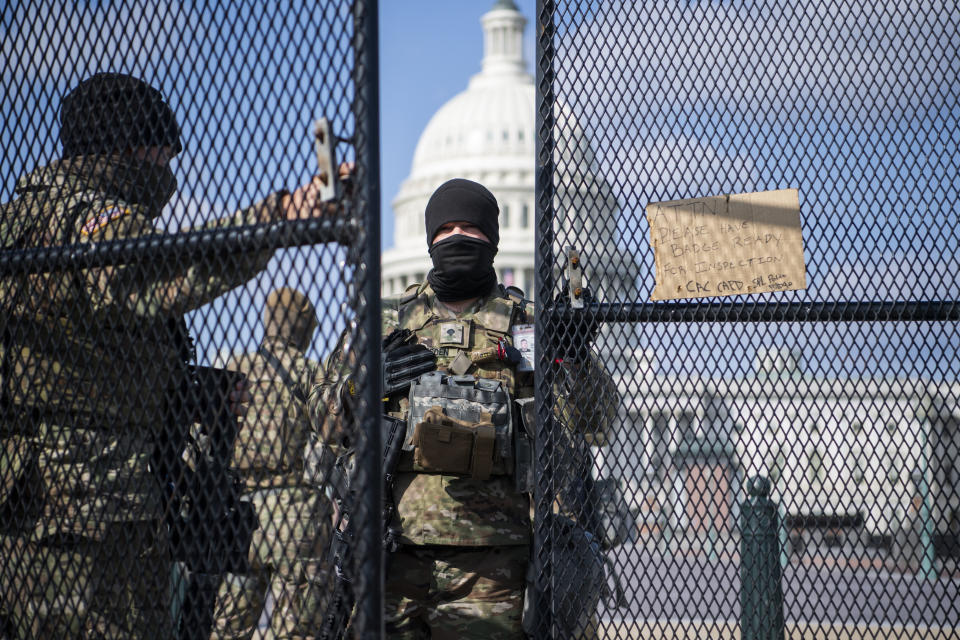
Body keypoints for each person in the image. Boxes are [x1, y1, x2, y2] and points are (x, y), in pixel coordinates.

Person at [0, 73, 339, 639]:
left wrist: (182, 388)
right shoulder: (86, 219)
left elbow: (73, 353)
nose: (169, 173)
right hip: (89, 503)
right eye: (162, 153)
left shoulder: (15, 221)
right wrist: (282, 215)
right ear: (130, 146)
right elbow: (154, 270)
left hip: (38, 494)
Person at [311, 178, 616, 639]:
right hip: (392, 547)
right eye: (446, 228)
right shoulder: (384, 322)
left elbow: (595, 422)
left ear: (492, 240)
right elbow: (323, 419)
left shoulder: (527, 324)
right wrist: (362, 387)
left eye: (470, 229)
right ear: (430, 238)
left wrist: (574, 360)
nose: (457, 238)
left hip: (495, 560)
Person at [209, 287, 333, 639]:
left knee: (226, 629)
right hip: (297, 517)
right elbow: (334, 434)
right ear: (305, 328)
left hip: (237, 515)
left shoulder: (233, 368)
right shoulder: (311, 371)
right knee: (297, 630)